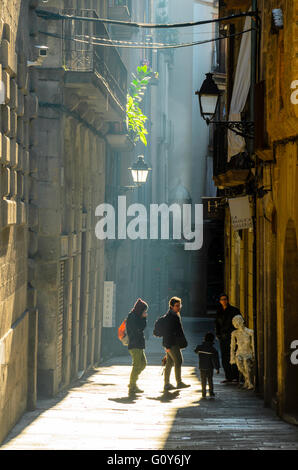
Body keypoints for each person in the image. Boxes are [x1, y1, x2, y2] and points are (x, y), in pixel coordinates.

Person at [162, 297, 190, 392]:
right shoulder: (170, 317)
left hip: (173, 343)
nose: (179, 307)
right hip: (171, 344)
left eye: (180, 305)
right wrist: (167, 346)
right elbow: (167, 332)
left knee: (170, 363)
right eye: (177, 306)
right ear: (171, 306)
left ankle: (167, 384)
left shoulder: (175, 315)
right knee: (178, 360)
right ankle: (179, 382)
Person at [215, 293, 240, 383]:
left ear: (227, 300)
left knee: (233, 355)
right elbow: (217, 323)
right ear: (220, 301)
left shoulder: (234, 310)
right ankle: (228, 376)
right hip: (223, 338)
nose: (224, 301)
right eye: (222, 299)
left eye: (225, 299)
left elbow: (239, 322)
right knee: (225, 357)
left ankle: (236, 376)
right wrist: (218, 334)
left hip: (232, 337)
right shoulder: (219, 311)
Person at [126, 298, 148, 395]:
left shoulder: (137, 316)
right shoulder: (132, 317)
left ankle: (133, 382)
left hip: (139, 344)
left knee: (143, 364)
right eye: (144, 311)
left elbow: (142, 327)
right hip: (134, 344)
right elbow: (138, 329)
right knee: (136, 365)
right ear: (140, 310)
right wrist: (143, 318)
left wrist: (143, 318)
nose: (145, 313)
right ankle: (132, 385)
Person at [194, 332, 220, 398]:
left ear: (204, 339)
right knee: (210, 380)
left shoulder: (199, 347)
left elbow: (195, 351)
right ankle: (211, 392)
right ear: (212, 340)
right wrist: (217, 368)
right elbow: (215, 360)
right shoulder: (213, 350)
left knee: (203, 380)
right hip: (210, 367)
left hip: (202, 367)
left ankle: (204, 393)